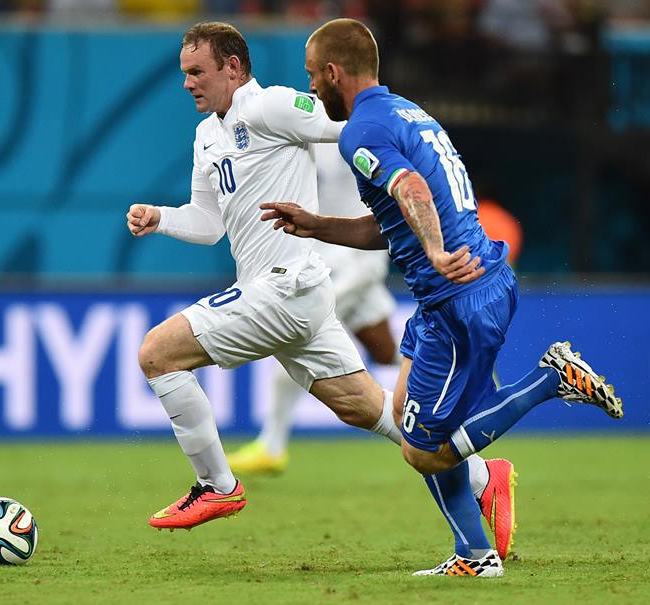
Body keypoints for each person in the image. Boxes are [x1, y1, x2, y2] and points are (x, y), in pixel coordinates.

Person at [262, 18, 624, 577]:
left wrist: (433, 251)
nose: (311, 88)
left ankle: (552, 379)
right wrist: (316, 225)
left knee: (423, 448)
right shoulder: (406, 112)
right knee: (410, 421)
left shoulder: (362, 130)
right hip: (451, 294)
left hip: (460, 292)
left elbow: (412, 189)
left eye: (313, 76)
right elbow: (392, 220)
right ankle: (474, 556)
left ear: (334, 72)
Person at [126, 22, 506, 542]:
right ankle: (486, 477)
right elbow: (209, 223)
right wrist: (161, 218)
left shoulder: (272, 107)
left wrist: (413, 151)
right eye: (184, 73)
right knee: (365, 408)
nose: (188, 83)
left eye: (197, 72)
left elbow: (349, 124)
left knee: (157, 353)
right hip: (290, 297)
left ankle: (216, 484)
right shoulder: (206, 136)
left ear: (233, 68)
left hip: (287, 286)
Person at [227, 142, 400, 474]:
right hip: (325, 259)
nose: (314, 91)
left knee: (292, 349)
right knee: (386, 352)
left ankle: (271, 447)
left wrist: (371, 265)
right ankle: (461, 365)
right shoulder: (303, 137)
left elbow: (384, 203)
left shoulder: (364, 140)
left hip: (356, 266)